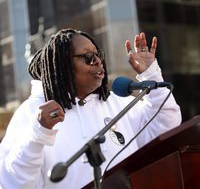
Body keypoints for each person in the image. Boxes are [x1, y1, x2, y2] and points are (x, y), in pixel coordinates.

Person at [0, 28, 181, 189]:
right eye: (87, 57)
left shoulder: (116, 103)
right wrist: (38, 134)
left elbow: (166, 125)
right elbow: (13, 183)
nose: (97, 61)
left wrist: (151, 73)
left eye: (98, 54)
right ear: (63, 65)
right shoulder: (32, 113)